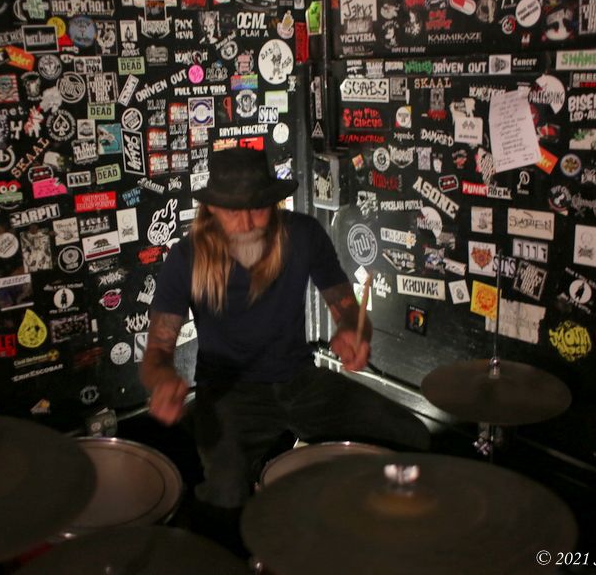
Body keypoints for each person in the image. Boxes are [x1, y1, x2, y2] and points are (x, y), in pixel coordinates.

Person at [140, 148, 430, 551]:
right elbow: (157, 349)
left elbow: (347, 308)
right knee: (225, 492)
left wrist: (353, 331)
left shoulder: (303, 234)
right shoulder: (186, 257)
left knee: (410, 434)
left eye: (258, 208)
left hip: (299, 380)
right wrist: (162, 380)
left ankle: (391, 545)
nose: (246, 223)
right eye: (233, 211)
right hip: (228, 392)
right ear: (213, 209)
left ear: (274, 203)